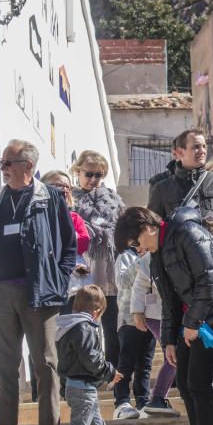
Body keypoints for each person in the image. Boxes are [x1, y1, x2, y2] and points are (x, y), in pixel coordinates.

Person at [0, 140, 76, 425]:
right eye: (3, 162)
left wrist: (58, 281)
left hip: (41, 293)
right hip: (1, 292)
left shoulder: (50, 198)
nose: (2, 168)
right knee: (4, 365)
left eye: (8, 162)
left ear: (27, 167)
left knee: (45, 364)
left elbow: (68, 246)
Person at [115, 206, 213, 425]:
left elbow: (209, 280)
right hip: (191, 317)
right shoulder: (155, 255)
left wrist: (194, 324)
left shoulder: (187, 233)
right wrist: (169, 342)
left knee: (198, 378)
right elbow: (168, 302)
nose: (138, 249)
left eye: (136, 242)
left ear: (149, 228)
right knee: (182, 380)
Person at [50, 285, 122, 425]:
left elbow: (66, 362)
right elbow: (91, 358)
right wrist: (110, 372)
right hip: (83, 388)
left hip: (79, 386)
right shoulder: (85, 328)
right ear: (97, 312)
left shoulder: (68, 329)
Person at [71, 150, 126, 367]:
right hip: (84, 271)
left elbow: (123, 229)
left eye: (98, 175)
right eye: (89, 174)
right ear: (78, 172)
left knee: (112, 327)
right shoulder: (71, 200)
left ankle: (113, 371)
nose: (93, 180)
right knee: (84, 325)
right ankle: (88, 370)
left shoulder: (114, 199)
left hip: (110, 271)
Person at [147, 128, 213, 231]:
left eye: (204, 146)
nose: (202, 151)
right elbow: (153, 229)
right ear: (180, 152)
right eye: (196, 147)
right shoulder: (162, 189)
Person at [125, 249, 179, 416]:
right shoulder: (150, 256)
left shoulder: (181, 248)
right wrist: (137, 312)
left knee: (175, 357)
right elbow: (139, 285)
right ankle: (157, 397)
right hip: (155, 314)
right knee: (173, 356)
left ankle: (159, 397)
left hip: (175, 313)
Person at [111, 245, 156, 419]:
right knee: (126, 363)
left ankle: (143, 402)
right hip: (129, 319)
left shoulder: (155, 256)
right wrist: (141, 262)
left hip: (151, 317)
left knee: (145, 365)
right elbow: (122, 281)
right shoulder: (124, 256)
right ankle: (121, 402)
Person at [41, 170, 91, 310]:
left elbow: (83, 243)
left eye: (67, 186)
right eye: (57, 185)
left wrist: (67, 235)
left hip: (74, 281)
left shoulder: (74, 218)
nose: (63, 189)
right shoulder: (38, 216)